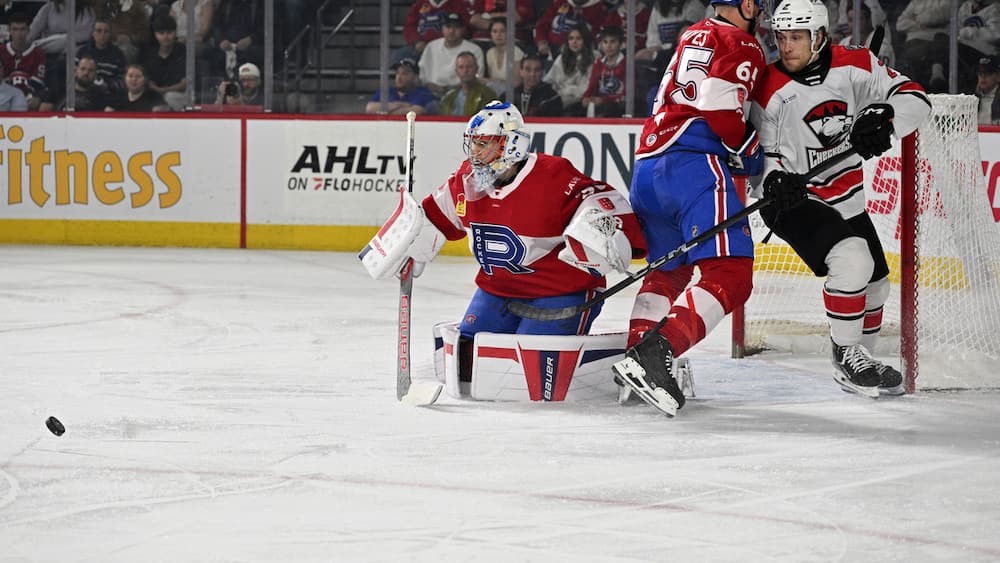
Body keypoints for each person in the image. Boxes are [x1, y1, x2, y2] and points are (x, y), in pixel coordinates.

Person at [362, 101, 646, 371]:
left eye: (483, 143)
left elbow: (607, 204)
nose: (473, 152)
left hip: (558, 292)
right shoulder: (466, 180)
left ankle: (622, 362)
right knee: (467, 361)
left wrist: (605, 231)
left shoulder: (553, 177)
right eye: (472, 142)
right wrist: (411, 248)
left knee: (531, 368)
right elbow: (433, 218)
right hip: (496, 290)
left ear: (510, 145)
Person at [748, 0, 931, 397]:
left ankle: (860, 360)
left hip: (845, 195)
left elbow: (916, 98)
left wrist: (884, 116)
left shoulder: (857, 64)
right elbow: (761, 164)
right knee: (852, 259)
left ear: (819, 37)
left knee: (877, 284)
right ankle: (846, 352)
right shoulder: (768, 89)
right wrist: (774, 180)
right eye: (780, 37)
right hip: (794, 199)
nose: (786, 46)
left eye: (796, 37)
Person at [611, 0, 768, 417]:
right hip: (692, 167)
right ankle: (653, 356)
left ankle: (634, 358)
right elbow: (719, 105)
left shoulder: (690, 34)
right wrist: (749, 147)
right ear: (747, 5)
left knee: (668, 272)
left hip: (647, 166)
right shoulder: (743, 42)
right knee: (732, 275)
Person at [418, 12, 483, 97]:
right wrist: (428, 85)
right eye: (448, 27)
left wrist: (450, 89)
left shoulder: (474, 49)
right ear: (442, 28)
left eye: (456, 27)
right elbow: (422, 76)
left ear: (463, 29)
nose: (452, 31)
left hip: (462, 94)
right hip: (431, 94)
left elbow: (478, 78)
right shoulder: (431, 46)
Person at [543, 24, 595, 116]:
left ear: (585, 40)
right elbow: (549, 81)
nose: (574, 42)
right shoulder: (561, 58)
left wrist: (567, 90)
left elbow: (586, 88)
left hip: (580, 100)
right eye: (571, 38)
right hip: (560, 98)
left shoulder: (594, 58)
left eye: (578, 38)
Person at [0, 11, 47, 111]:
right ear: (9, 30)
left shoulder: (37, 53)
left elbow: (38, 83)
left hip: (28, 98)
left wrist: (36, 97)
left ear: (28, 30)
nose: (19, 34)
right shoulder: (1, 51)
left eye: (22, 29)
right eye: (15, 29)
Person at [581, 25, 627, 117]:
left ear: (621, 44)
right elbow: (592, 86)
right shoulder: (598, 63)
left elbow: (626, 93)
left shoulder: (627, 63)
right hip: (600, 102)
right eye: (605, 42)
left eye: (613, 42)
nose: (608, 46)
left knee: (607, 110)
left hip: (618, 104)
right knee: (574, 109)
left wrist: (604, 100)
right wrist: (585, 98)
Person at [143, 14, 187, 111]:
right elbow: (147, 80)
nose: (165, 36)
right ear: (155, 34)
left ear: (175, 33)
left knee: (169, 97)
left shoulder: (183, 51)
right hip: (155, 95)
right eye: (161, 33)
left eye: (169, 32)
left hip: (179, 96)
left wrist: (161, 90)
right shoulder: (149, 52)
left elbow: (185, 84)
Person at [365, 57, 437, 115]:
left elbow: (416, 111)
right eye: (397, 73)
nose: (399, 77)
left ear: (415, 77)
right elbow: (370, 108)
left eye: (404, 74)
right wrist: (400, 104)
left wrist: (385, 111)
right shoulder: (387, 90)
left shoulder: (423, 92)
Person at [76, 18, 127, 97]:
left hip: (107, 95)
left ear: (110, 34)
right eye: (99, 31)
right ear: (93, 33)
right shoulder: (82, 51)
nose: (102, 35)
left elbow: (123, 81)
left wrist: (108, 85)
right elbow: (72, 74)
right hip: (81, 92)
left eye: (106, 32)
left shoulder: (118, 55)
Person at [438, 51, 495, 116]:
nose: (465, 70)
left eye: (469, 67)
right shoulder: (449, 97)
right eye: (461, 67)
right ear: (456, 71)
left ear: (476, 69)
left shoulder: (487, 94)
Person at [482, 17, 523, 94]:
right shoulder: (489, 53)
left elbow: (516, 83)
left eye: (502, 31)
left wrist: (493, 82)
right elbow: (492, 81)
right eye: (494, 31)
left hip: (512, 92)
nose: (498, 35)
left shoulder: (516, 52)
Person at [976, 55, 1000, 124]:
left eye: (988, 73)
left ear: (998, 76)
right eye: (980, 73)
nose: (983, 76)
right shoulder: (971, 99)